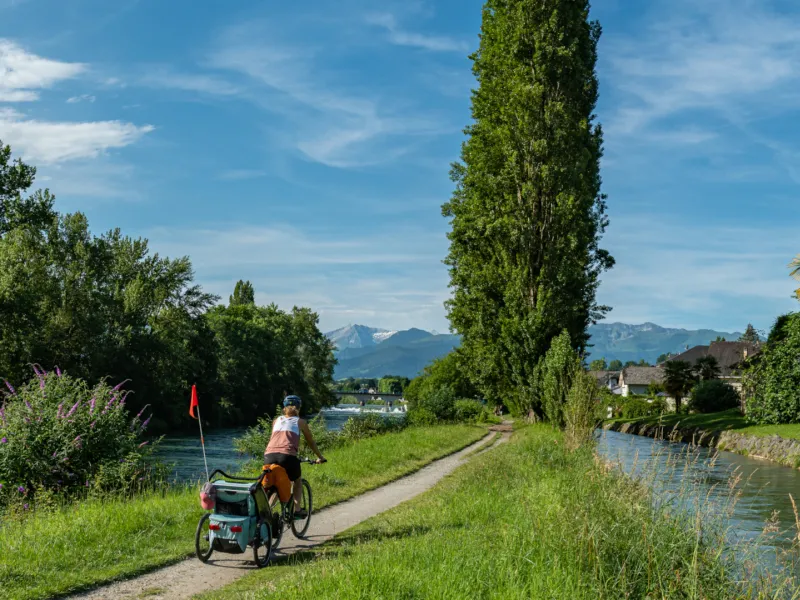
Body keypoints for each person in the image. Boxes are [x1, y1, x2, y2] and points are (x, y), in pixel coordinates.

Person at [263, 395, 326, 518]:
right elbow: (310, 441)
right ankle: (297, 509)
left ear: (284, 408)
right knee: (297, 480)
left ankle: (267, 513)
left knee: (276, 483)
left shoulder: (276, 420)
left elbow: (273, 439)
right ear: (299, 407)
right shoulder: (300, 422)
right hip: (287, 456)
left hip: (269, 455)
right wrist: (320, 457)